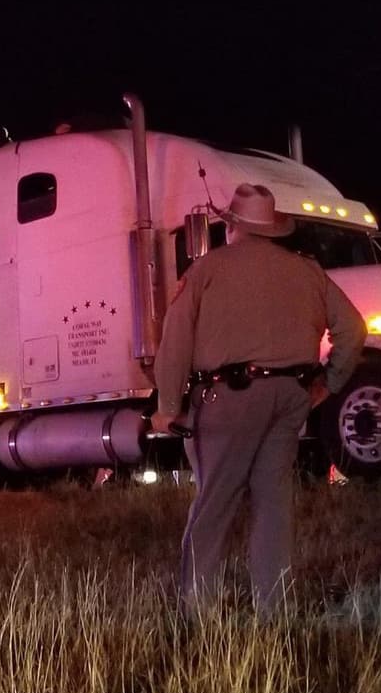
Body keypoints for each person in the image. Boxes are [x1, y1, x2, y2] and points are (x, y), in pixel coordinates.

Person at [152, 184, 366, 615]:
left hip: (229, 396)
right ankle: (275, 609)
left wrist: (168, 407)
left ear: (232, 226)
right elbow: (354, 329)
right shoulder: (307, 271)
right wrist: (329, 383)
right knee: (273, 504)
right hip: (291, 397)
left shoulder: (207, 269)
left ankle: (197, 610)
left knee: (214, 503)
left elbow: (175, 341)